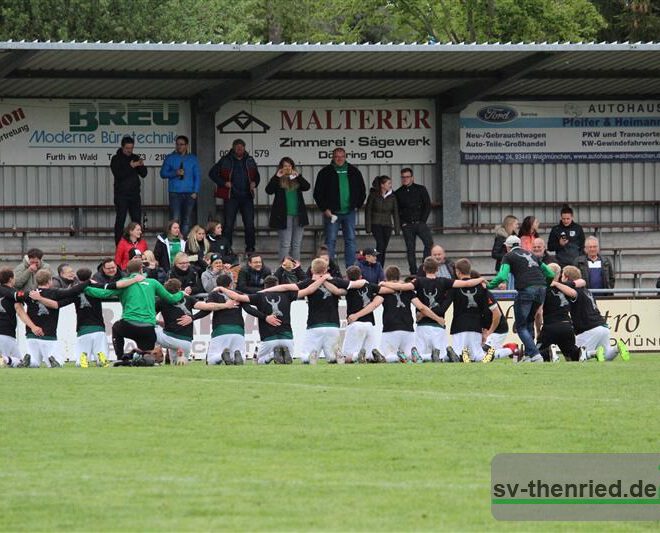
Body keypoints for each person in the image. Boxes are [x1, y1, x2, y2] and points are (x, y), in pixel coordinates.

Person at [382, 257, 483, 363]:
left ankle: (426, 356)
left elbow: (403, 287)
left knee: (419, 357)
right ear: (438, 269)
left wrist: (384, 283)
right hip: (438, 325)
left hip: (422, 325)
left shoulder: (418, 281)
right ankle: (438, 356)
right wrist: (480, 280)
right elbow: (466, 283)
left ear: (424, 269)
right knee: (442, 357)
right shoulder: (444, 281)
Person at [85, 258, 185, 361]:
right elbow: (171, 298)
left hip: (129, 325)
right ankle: (141, 356)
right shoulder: (153, 283)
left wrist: (84, 288)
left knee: (116, 328)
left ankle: (120, 358)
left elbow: (104, 294)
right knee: (146, 358)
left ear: (127, 271)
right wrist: (182, 293)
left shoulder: (124, 282)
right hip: (148, 328)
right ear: (141, 270)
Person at [487, 235, 555, 363]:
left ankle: (535, 354)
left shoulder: (508, 256)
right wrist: (545, 285)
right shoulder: (531, 254)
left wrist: (489, 285)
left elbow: (502, 276)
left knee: (520, 326)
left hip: (526, 290)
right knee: (529, 321)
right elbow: (550, 273)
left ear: (507, 247)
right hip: (541, 289)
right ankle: (530, 355)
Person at [376, 266, 444, 363]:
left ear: (386, 277)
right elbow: (421, 307)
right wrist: (438, 319)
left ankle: (399, 357)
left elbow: (374, 305)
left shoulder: (384, 291)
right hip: (408, 328)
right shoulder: (408, 290)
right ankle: (430, 356)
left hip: (390, 328)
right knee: (412, 357)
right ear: (399, 276)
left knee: (386, 356)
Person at [562, 266, 630, 363]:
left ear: (566, 277)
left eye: (562, 276)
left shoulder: (575, 292)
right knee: (606, 356)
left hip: (589, 329)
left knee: (576, 357)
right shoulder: (587, 291)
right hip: (603, 326)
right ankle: (617, 348)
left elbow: (563, 287)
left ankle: (594, 353)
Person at [313, 147, 366, 269]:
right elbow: (318, 193)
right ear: (332, 157)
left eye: (342, 156)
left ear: (345, 156)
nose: (339, 159)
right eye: (337, 156)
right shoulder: (325, 172)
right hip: (332, 213)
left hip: (349, 212)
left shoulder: (354, 171)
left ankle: (351, 268)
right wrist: (324, 208)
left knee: (351, 240)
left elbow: (362, 190)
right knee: (330, 241)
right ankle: (329, 268)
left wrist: (356, 205)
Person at [24, 269, 88, 368]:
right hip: (48, 335)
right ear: (50, 281)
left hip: (31, 335)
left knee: (34, 363)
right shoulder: (54, 292)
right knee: (59, 363)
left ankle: (30, 359)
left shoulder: (30, 294)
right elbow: (72, 291)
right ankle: (52, 359)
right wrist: (88, 282)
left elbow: (15, 296)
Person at [209, 139, 260, 253]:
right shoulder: (225, 160)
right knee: (228, 225)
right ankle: (227, 249)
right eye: (237, 147)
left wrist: (254, 183)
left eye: (241, 147)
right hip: (231, 196)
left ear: (244, 148)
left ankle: (250, 249)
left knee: (250, 224)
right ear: (233, 148)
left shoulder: (250, 160)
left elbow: (257, 176)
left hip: (247, 196)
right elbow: (212, 173)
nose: (239, 149)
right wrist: (223, 183)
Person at [201, 274, 265, 365]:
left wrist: (192, 318)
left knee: (211, 360)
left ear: (217, 284)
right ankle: (237, 355)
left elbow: (206, 311)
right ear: (230, 284)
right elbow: (249, 309)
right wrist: (265, 317)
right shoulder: (238, 294)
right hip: (238, 330)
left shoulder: (213, 294)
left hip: (220, 330)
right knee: (241, 358)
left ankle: (222, 355)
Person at [447, 259, 499, 363]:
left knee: (457, 351)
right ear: (469, 271)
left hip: (459, 325)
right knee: (476, 353)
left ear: (457, 271)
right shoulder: (481, 287)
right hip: (476, 325)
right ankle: (484, 357)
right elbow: (487, 311)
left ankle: (459, 355)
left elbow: (445, 304)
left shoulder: (455, 286)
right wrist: (485, 328)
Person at [535, 263, 583, 363]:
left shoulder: (543, 289)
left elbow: (538, 313)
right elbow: (575, 292)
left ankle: (549, 352)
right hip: (567, 326)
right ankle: (579, 352)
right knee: (571, 356)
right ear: (559, 274)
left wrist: (538, 330)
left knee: (536, 355)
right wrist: (557, 284)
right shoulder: (564, 287)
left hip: (550, 326)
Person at [265, 157, 310, 261]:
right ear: (281, 167)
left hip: (298, 215)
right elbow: (269, 190)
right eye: (285, 166)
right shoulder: (277, 180)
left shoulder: (296, 179)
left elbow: (307, 186)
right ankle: (284, 268)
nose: (287, 168)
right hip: (283, 216)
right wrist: (276, 176)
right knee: (285, 244)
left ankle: (296, 268)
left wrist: (298, 176)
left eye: (289, 166)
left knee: (296, 245)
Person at [342, 265, 385, 363]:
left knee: (346, 357)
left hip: (355, 323)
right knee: (368, 354)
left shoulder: (348, 287)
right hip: (369, 324)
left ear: (347, 277)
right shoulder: (370, 286)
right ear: (360, 276)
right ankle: (373, 357)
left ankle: (357, 356)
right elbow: (385, 290)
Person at [159, 135, 200, 237]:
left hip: (190, 193)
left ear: (186, 145)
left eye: (181, 144)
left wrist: (195, 191)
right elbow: (163, 173)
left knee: (187, 219)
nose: (179, 146)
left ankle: (184, 242)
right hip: (175, 193)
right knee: (175, 219)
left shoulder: (193, 158)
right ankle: (174, 241)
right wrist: (175, 173)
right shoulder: (170, 158)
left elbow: (197, 176)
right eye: (177, 144)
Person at [394, 168, 433, 275]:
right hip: (407, 225)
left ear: (412, 177)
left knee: (429, 244)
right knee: (410, 249)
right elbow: (396, 211)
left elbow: (427, 205)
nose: (405, 179)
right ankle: (413, 272)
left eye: (407, 177)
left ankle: (425, 268)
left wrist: (423, 221)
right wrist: (403, 223)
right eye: (403, 177)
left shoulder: (421, 189)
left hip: (420, 223)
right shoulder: (398, 193)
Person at [0, 268, 41, 368]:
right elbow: (20, 311)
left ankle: (8, 359)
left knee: (20, 363)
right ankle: (6, 359)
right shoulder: (13, 293)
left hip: (6, 334)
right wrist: (33, 326)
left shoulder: (8, 292)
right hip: (5, 333)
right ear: (10, 279)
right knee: (8, 362)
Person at [110, 136, 147, 244]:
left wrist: (141, 165)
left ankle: (137, 244)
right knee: (120, 219)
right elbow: (118, 174)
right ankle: (119, 244)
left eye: (131, 148)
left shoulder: (135, 157)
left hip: (135, 194)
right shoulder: (116, 159)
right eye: (127, 148)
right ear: (122, 147)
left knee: (136, 220)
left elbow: (144, 174)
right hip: (121, 195)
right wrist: (130, 166)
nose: (129, 150)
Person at [365, 175, 400, 266]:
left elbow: (395, 212)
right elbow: (368, 211)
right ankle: (377, 264)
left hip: (387, 225)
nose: (390, 185)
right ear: (382, 185)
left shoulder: (392, 196)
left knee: (383, 247)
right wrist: (368, 227)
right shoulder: (373, 195)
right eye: (388, 183)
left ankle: (379, 266)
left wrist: (397, 228)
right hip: (375, 224)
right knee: (380, 244)